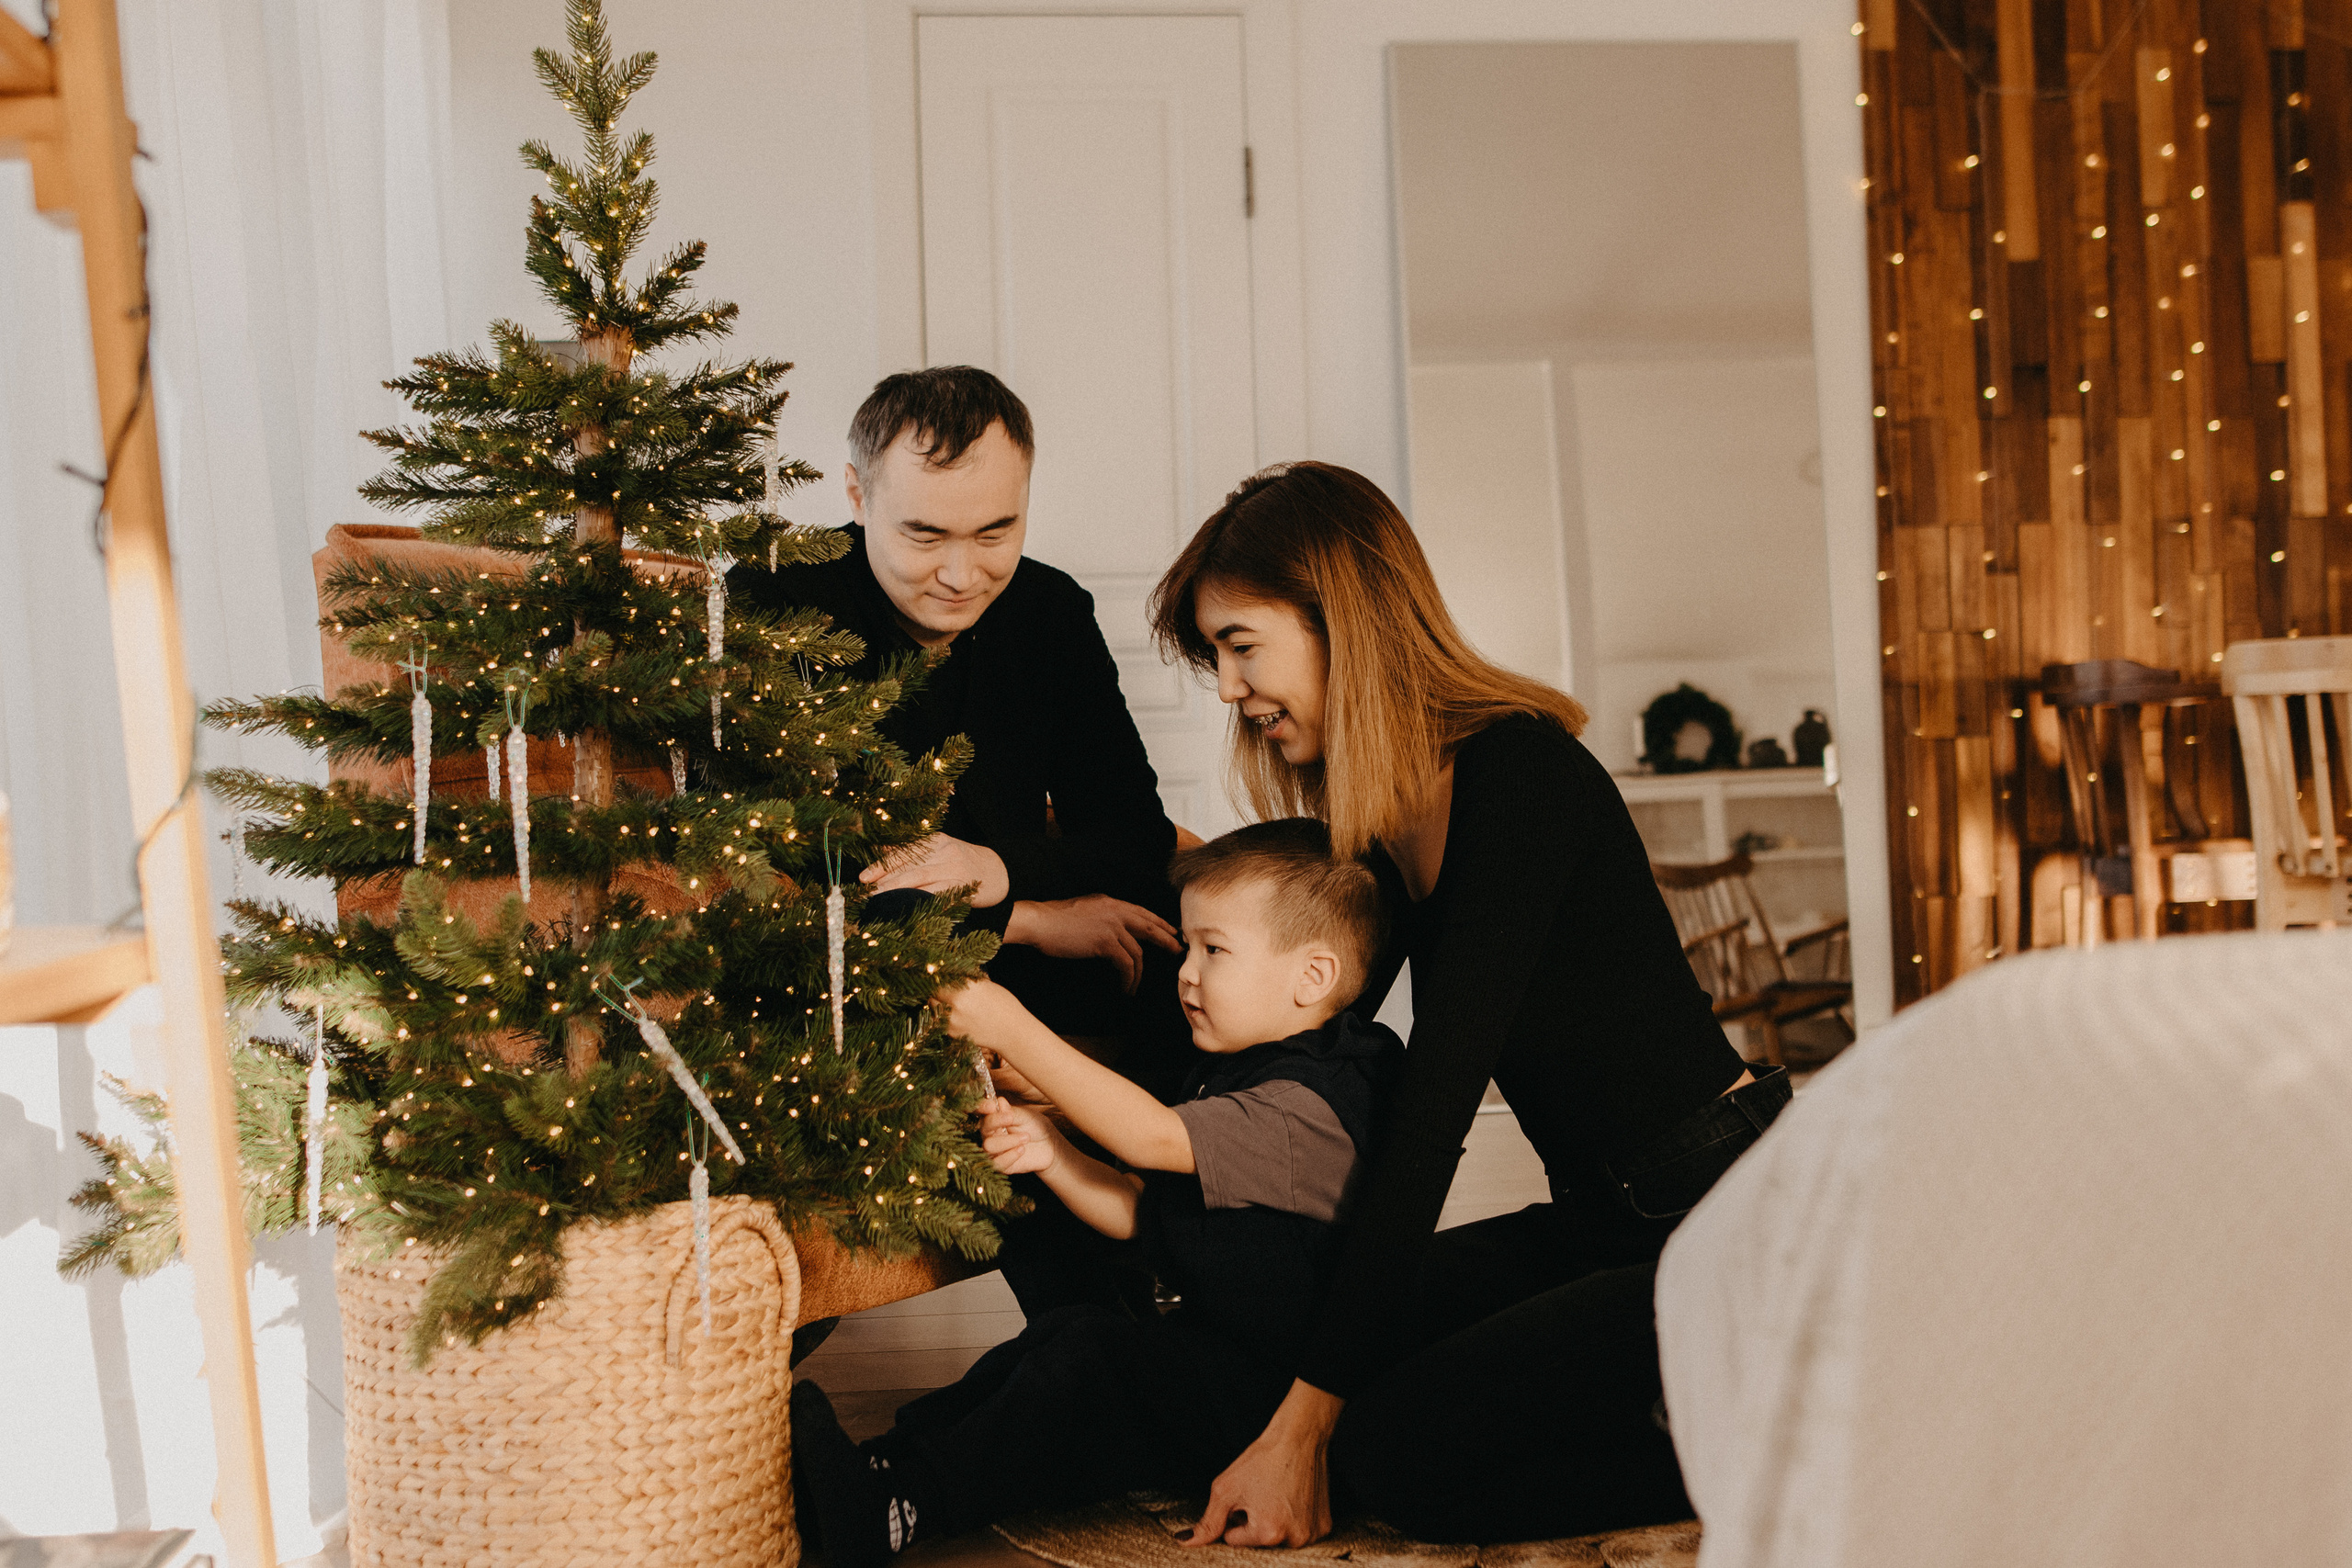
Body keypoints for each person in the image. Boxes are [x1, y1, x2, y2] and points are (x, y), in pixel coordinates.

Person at [1144, 462, 1794, 1546]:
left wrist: (1304, 1428)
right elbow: (1309, 1007)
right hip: (1600, 1225)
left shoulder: (1519, 778)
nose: (1225, 687)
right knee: (1327, 1344)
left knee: (1396, 1451)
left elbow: (1429, 1120)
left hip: (1722, 1223)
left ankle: (1793, 1433)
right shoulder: (1394, 820)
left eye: (1241, 645)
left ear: (1340, 618)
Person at [787, 818, 1402, 1568]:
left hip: (1265, 1399)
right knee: (1060, 1337)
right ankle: (886, 1464)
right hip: (1212, 1355)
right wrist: (1054, 1154)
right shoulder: (1249, 1065)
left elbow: (1148, 1136)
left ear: (1312, 978)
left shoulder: (1312, 1107)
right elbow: (1142, 1211)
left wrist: (1010, 1025)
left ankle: (905, 1506)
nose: (1187, 971)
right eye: (1189, 943)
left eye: (1216, 950)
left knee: (1081, 1374)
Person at [726, 366, 1185, 1045]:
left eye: (995, 533)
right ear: (857, 494)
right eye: (926, 536)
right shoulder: (772, 602)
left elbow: (1135, 837)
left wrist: (995, 869)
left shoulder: (1050, 611)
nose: (963, 576)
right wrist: (1020, 917)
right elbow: (765, 859)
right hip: (840, 1002)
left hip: (1042, 992)